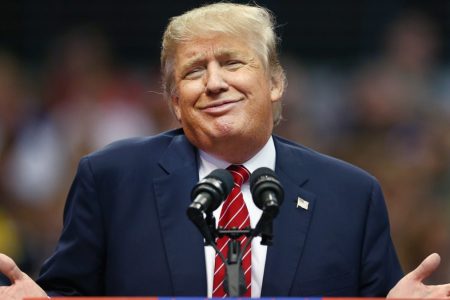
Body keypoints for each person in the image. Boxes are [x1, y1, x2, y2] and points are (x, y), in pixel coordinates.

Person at [1, 2, 450, 298]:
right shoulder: (112, 180)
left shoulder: (351, 194)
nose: (215, 83)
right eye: (195, 71)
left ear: (275, 83)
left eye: (232, 63)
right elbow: (65, 294)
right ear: (175, 101)